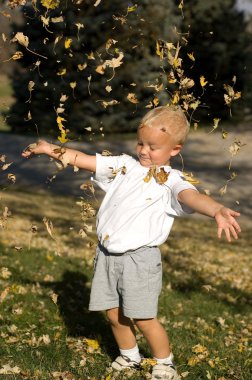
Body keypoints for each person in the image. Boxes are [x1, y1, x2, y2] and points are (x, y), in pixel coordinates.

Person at [22, 106, 241, 380]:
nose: (144, 151)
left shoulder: (170, 180)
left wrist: (216, 209)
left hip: (140, 259)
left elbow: (189, 197)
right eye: (141, 143)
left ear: (175, 149)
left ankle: (165, 362)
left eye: (153, 146)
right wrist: (48, 147)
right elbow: (84, 159)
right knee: (113, 315)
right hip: (107, 255)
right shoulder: (124, 165)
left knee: (143, 318)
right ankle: (129, 356)